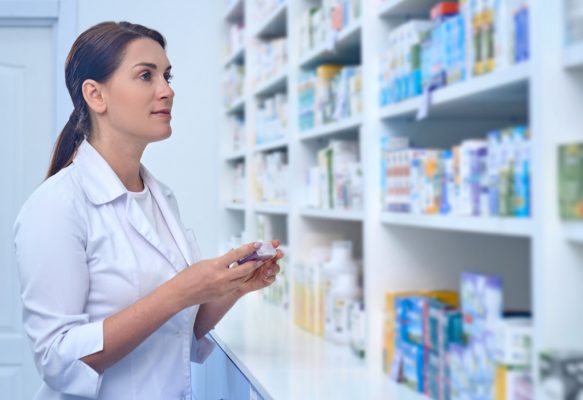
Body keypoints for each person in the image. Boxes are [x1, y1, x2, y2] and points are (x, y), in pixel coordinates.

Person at [13, 21, 283, 400]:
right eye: (146, 75)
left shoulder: (159, 197)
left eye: (167, 75)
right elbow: (57, 359)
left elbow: (177, 329)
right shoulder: (56, 206)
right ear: (96, 95)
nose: (167, 90)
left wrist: (231, 287)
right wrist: (178, 291)